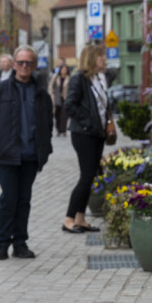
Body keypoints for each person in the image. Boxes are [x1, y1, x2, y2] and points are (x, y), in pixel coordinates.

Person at [0, 44, 53, 260]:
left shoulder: (40, 93)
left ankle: (20, 243)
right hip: (8, 156)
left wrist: (45, 148)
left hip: (30, 156)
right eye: (20, 62)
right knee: (8, 199)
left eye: (29, 63)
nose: (24, 66)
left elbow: (48, 123)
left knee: (24, 200)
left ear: (35, 65)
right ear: (13, 65)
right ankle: (2, 244)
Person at [62, 44, 110, 234]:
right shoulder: (78, 79)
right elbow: (69, 105)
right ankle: (68, 219)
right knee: (86, 176)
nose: (104, 60)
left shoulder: (99, 79)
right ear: (91, 59)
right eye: (100, 57)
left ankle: (81, 218)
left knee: (91, 177)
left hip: (97, 134)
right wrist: (88, 121)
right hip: (83, 133)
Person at [49, 63, 70, 137]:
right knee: (57, 115)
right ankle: (58, 130)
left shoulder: (69, 78)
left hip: (65, 98)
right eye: (62, 69)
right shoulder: (56, 77)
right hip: (57, 98)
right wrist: (52, 95)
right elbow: (51, 85)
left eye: (65, 69)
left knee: (64, 115)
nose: (64, 70)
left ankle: (63, 130)